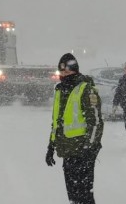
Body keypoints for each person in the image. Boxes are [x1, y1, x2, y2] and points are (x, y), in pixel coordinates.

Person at [45, 53, 104, 204]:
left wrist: (88, 148)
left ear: (75, 70)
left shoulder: (85, 89)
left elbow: (96, 122)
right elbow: (57, 123)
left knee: (84, 195)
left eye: (67, 70)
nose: (63, 74)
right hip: (68, 152)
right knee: (73, 196)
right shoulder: (60, 90)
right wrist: (51, 146)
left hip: (83, 152)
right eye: (61, 71)